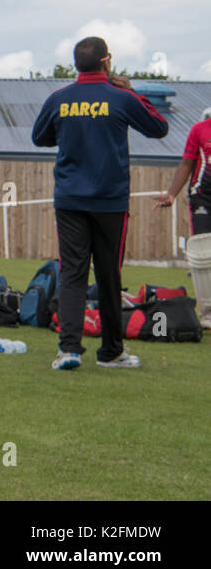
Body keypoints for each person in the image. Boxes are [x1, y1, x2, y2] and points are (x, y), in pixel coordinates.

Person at [31, 37, 168, 370]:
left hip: (70, 200)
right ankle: (111, 352)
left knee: (73, 274)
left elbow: (39, 137)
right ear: (107, 62)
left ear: (77, 65)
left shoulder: (58, 99)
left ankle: (69, 350)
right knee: (109, 275)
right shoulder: (122, 98)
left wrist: (68, 132)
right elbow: (159, 128)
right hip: (110, 202)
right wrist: (132, 90)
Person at [154, 106, 211, 236]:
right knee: (203, 245)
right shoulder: (199, 129)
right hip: (203, 197)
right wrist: (171, 193)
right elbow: (186, 164)